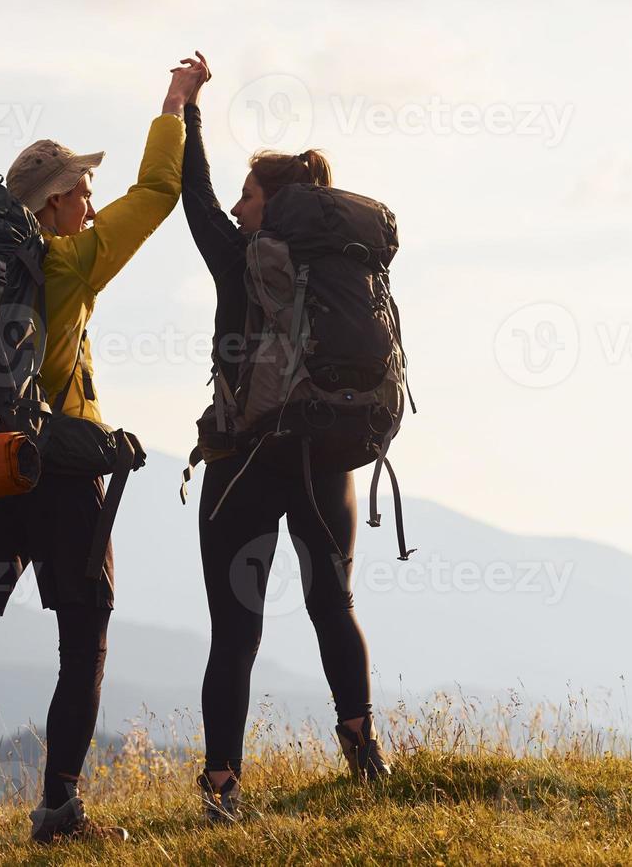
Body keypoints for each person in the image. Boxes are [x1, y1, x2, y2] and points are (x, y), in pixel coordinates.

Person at [0, 58, 207, 852]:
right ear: (57, 204)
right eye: (82, 192)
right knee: (84, 631)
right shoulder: (68, 265)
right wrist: (173, 107)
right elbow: (157, 196)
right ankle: (59, 807)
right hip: (60, 478)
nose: (91, 202)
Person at [178, 53, 390, 825]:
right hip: (327, 457)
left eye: (248, 195)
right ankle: (366, 753)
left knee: (236, 631)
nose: (235, 208)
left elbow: (188, 193)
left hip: (244, 464)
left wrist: (183, 109)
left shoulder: (239, 262)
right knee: (333, 605)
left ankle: (224, 787)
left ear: (271, 206)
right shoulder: (338, 271)